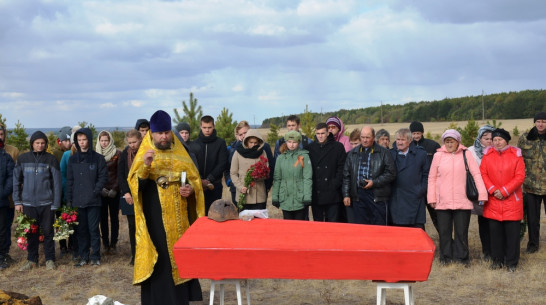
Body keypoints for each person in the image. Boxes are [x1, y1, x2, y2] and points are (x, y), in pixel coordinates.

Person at [128, 110, 205, 305]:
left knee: (179, 257)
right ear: (151, 134)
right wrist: (145, 166)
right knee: (161, 259)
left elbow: (194, 180)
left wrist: (191, 190)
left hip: (180, 220)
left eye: (166, 132)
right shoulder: (144, 154)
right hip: (155, 220)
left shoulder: (181, 153)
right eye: (159, 133)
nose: (163, 137)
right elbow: (136, 187)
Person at [427, 129, 488, 265]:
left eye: (452, 141)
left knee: (461, 232)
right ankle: (446, 258)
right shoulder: (438, 156)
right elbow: (432, 178)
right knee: (444, 232)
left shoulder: (466, 154)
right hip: (443, 201)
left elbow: (476, 175)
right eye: (447, 141)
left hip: (463, 200)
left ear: (458, 142)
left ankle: (462, 258)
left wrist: (482, 194)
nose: (449, 144)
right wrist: (431, 198)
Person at [13, 131, 62, 271]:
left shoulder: (51, 159)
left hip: (47, 203)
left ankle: (50, 260)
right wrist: (17, 201)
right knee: (31, 232)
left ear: (46, 144)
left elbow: (57, 184)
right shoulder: (23, 159)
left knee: (48, 232)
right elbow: (16, 181)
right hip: (28, 203)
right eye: (37, 143)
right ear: (32, 143)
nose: (40, 146)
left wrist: (56, 203)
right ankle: (31, 260)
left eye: (42, 143)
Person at [480, 128, 525, 271]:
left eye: (500, 139)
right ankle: (497, 260)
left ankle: (511, 262)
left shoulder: (516, 155)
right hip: (493, 200)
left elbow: (519, 176)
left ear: (506, 140)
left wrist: (505, 191)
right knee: (495, 234)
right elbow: (483, 174)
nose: (497, 142)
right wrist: (493, 190)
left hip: (511, 200)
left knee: (512, 235)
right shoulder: (487, 156)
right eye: (494, 140)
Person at [66, 128, 108, 267]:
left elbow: (103, 177)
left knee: (93, 229)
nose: (82, 142)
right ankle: (84, 256)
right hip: (78, 200)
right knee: (81, 230)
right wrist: (69, 199)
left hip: (93, 200)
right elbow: (70, 180)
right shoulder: (73, 159)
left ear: (89, 140)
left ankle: (95, 256)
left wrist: (95, 191)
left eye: (84, 140)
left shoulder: (97, 158)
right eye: (79, 140)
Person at [342, 126, 396, 225]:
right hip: (358, 196)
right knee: (361, 228)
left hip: (377, 196)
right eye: (362, 137)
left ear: (373, 137)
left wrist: (374, 183)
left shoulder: (384, 153)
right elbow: (346, 176)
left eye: (367, 137)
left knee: (379, 229)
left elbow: (391, 173)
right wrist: (346, 195)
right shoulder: (353, 153)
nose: (365, 140)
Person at [389, 128, 429, 229]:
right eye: (398, 139)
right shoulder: (390, 154)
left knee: (416, 232)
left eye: (402, 140)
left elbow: (426, 174)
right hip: (397, 200)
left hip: (415, 199)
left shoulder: (420, 154)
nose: (399, 142)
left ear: (410, 141)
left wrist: (420, 190)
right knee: (399, 233)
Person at [518, 111, 546, 254]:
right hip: (531, 186)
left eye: (544, 121)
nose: (541, 124)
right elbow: (518, 160)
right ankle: (533, 244)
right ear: (534, 122)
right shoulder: (525, 138)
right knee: (533, 219)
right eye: (538, 121)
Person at [308, 123, 346, 222]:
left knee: (333, 224)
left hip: (333, 194)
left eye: (322, 133)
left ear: (328, 133)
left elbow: (342, 168)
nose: (320, 136)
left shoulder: (338, 147)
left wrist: (334, 184)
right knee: (318, 224)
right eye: (318, 133)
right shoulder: (310, 148)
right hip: (317, 193)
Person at [189, 115, 227, 214]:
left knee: (215, 214)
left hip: (215, 185)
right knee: (199, 216)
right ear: (201, 127)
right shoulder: (194, 144)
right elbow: (192, 165)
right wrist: (201, 180)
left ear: (213, 126)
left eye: (209, 127)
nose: (207, 130)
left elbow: (222, 163)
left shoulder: (220, 143)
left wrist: (209, 179)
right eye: (204, 127)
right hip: (198, 185)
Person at [467, 125, 495, 260]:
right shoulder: (471, 151)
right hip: (479, 192)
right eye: (485, 138)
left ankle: (497, 249)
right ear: (479, 137)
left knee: (495, 223)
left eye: (491, 138)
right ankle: (487, 251)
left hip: (495, 192)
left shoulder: (497, 150)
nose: (489, 141)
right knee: (483, 222)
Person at [272, 131, 312, 220]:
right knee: (287, 227)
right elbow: (277, 178)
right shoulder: (281, 158)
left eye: (294, 142)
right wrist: (275, 197)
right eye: (289, 142)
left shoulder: (304, 156)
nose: (292, 145)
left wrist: (307, 197)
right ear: (286, 142)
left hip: (300, 198)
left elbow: (307, 178)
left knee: (300, 227)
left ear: (298, 143)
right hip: (285, 197)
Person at [410, 121, 441, 234]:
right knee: (418, 218)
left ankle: (445, 240)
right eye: (414, 133)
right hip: (416, 188)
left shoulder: (432, 145)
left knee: (436, 216)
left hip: (431, 188)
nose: (416, 136)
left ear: (422, 133)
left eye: (418, 133)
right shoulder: (408, 146)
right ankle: (420, 240)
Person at [96, 130, 122, 255]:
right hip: (101, 191)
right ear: (99, 141)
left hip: (114, 191)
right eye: (102, 141)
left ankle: (114, 243)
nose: (104, 143)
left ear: (110, 140)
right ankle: (105, 243)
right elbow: (94, 174)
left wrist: (115, 189)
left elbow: (120, 173)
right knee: (102, 219)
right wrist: (100, 188)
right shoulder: (95, 155)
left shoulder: (118, 153)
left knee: (114, 218)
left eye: (106, 140)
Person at [118, 129, 141, 266]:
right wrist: (126, 192)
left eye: (134, 142)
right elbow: (121, 175)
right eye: (130, 142)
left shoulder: (146, 151)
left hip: (144, 195)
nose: (132, 145)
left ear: (140, 140)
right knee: (132, 226)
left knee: (145, 227)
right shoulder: (125, 153)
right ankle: (134, 255)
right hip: (130, 195)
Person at [230, 129, 269, 210]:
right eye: (251, 142)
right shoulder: (238, 153)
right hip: (243, 195)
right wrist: (240, 187)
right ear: (246, 142)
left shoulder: (263, 152)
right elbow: (233, 173)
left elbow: (266, 171)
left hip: (259, 196)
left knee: (259, 222)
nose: (253, 145)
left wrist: (258, 175)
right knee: (244, 221)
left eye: (255, 143)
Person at [0, 124, 18, 266]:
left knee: (5, 227)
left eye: (1, 134)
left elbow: (14, 176)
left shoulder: (12, 152)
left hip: (8, 199)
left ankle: (4, 254)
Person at [0, 137, 14, 270]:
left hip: (2, 200)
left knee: (2, 230)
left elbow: (11, 177)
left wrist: (4, 192)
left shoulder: (6, 158)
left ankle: (2, 256)